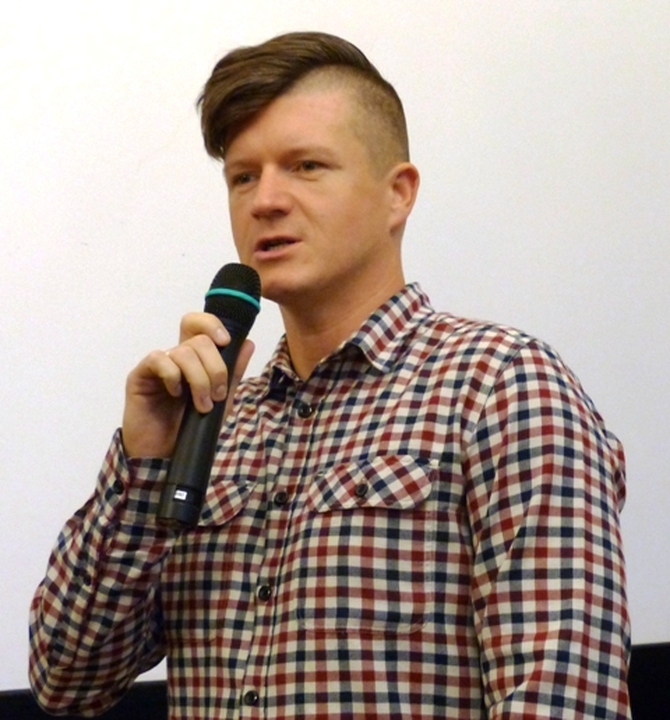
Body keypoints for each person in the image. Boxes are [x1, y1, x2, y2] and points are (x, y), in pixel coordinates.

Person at [29, 31, 631, 719]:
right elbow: (66, 680)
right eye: (243, 177)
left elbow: (563, 695)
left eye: (306, 166)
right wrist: (145, 466)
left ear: (397, 194)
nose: (265, 200)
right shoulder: (211, 423)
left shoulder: (501, 385)